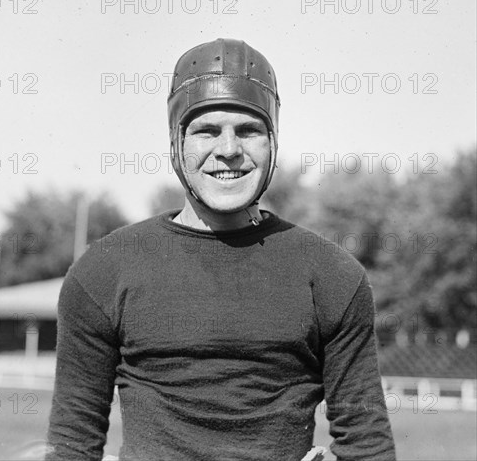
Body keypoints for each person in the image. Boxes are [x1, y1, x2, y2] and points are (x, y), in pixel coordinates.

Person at [45, 39, 396, 461]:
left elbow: (367, 445)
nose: (229, 150)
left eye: (248, 130)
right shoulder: (102, 272)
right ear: (177, 142)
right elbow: (72, 446)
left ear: (273, 142)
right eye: (207, 130)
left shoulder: (333, 276)